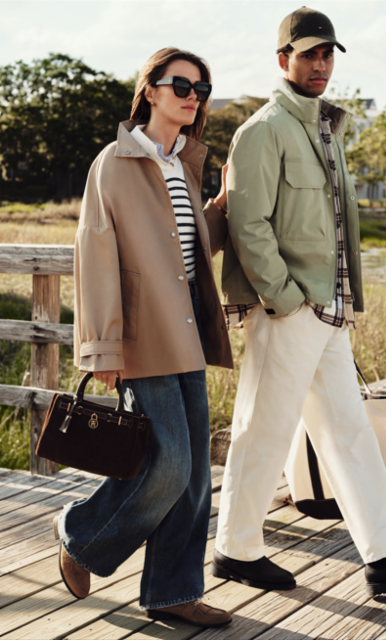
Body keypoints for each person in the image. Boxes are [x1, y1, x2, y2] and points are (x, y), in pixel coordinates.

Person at [212, 7, 386, 596]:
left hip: (330, 311)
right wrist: (285, 298)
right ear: (283, 60)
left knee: (350, 433)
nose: (320, 64)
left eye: (327, 54)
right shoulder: (262, 130)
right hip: (289, 310)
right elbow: (249, 225)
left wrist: (337, 302)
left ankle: (385, 554)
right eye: (309, 54)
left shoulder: (328, 130)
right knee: (263, 429)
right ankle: (236, 550)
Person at [55, 47, 233, 628]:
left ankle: (172, 591)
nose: (192, 96)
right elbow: (95, 254)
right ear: (150, 90)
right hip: (140, 336)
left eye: (201, 89)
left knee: (195, 476)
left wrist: (222, 206)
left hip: (188, 331)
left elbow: (187, 250)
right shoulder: (115, 161)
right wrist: (103, 347)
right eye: (181, 85)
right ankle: (81, 532)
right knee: (169, 465)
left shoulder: (185, 163)